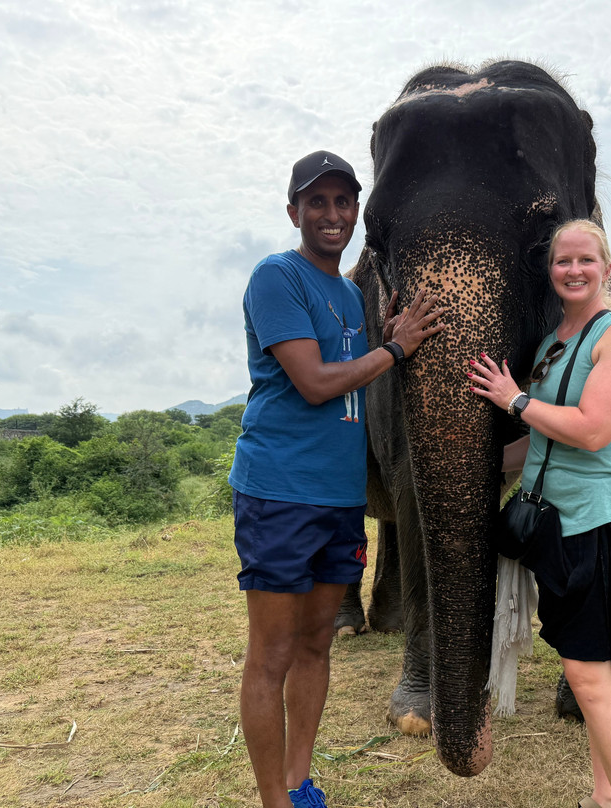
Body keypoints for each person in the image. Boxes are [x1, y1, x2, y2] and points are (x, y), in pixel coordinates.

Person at [229, 150, 444, 808]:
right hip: (279, 491)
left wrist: (397, 334)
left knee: (318, 644)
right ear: (293, 211)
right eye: (316, 202)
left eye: (342, 202)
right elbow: (316, 383)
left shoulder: (352, 294)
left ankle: (300, 785)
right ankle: (273, 801)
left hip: (340, 498)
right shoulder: (277, 277)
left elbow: (369, 367)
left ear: (356, 213)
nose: (331, 214)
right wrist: (395, 347)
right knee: (272, 653)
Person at [466, 219, 611, 808]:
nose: (574, 271)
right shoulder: (554, 342)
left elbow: (594, 430)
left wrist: (515, 399)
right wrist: (474, 464)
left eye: (585, 261)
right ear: (550, 272)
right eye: (562, 261)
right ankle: (603, 799)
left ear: (607, 268)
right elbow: (541, 444)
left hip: (595, 529)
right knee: (605, 682)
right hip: (556, 528)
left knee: (591, 684)